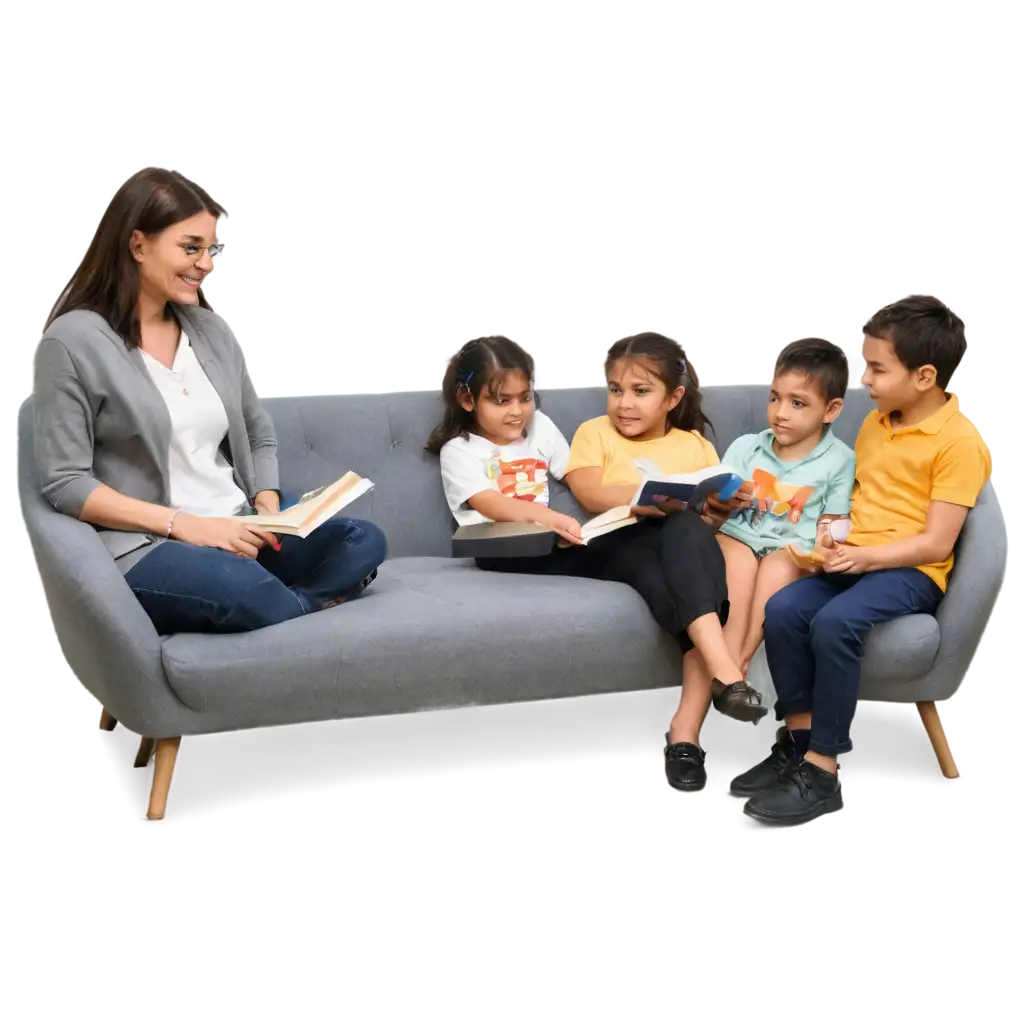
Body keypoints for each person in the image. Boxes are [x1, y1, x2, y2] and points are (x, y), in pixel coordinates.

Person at [32, 168, 387, 635]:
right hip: (151, 543)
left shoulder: (211, 331)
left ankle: (284, 611)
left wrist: (266, 503)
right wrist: (187, 526)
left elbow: (258, 433)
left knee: (363, 541)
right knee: (245, 588)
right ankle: (298, 604)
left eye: (211, 249)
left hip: (237, 522)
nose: (207, 264)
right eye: (191, 247)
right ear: (138, 245)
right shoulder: (73, 341)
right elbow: (66, 483)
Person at [427, 334, 762, 789]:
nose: (516, 411)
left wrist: (648, 503)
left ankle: (709, 693)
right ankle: (724, 674)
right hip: (503, 548)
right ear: (468, 399)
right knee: (661, 550)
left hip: (560, 542)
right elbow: (492, 504)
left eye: (524, 398)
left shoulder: (540, 428)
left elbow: (578, 476)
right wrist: (552, 515)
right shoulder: (460, 450)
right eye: (501, 401)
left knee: (661, 557)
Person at [735, 296, 990, 827]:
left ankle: (823, 769)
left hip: (910, 571)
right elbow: (864, 503)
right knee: (782, 609)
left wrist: (867, 556)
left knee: (835, 622)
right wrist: (829, 541)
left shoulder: (959, 442)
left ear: (923, 376)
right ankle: (799, 744)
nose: (865, 380)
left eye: (877, 368)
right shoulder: (878, 421)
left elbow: (936, 544)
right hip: (858, 556)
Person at [715, 339, 856, 677]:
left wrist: (826, 546)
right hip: (738, 534)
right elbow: (717, 505)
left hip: (793, 547)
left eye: (797, 403)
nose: (780, 412)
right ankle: (729, 669)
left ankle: (741, 663)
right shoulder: (745, 447)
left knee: (779, 569)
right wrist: (723, 498)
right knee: (739, 570)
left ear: (831, 410)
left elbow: (831, 521)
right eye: (775, 398)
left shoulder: (840, 460)